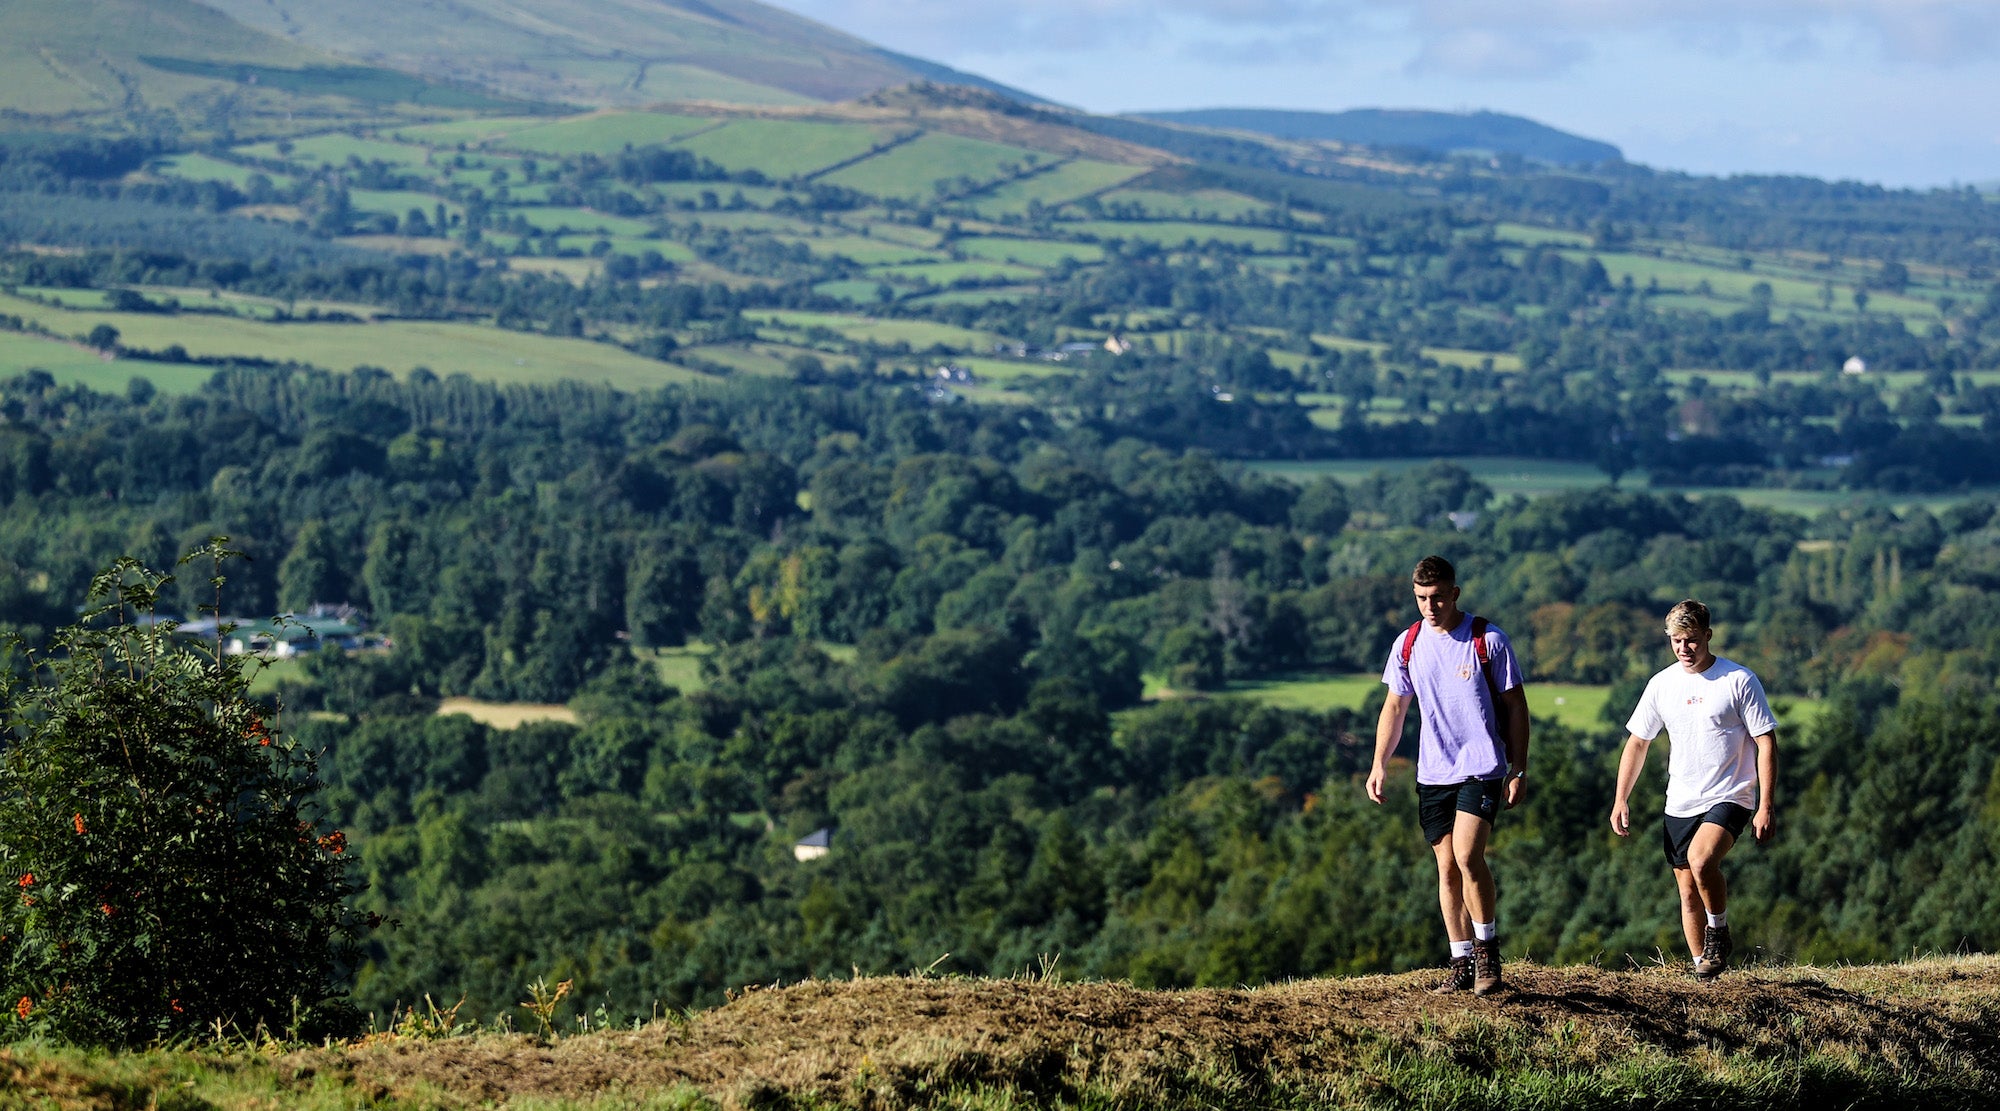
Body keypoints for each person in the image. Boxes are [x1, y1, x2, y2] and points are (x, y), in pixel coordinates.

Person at [1368, 555, 1530, 996]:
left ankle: (1487, 954)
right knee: (1446, 868)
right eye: (1421, 598)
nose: (1430, 605)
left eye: (1437, 597)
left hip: (1481, 767)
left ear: (1454, 593)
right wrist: (1379, 762)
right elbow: (1395, 706)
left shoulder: (1488, 639)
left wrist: (1519, 767)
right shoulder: (1408, 644)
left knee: (1467, 855)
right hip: (1433, 770)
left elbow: (1516, 705)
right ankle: (1460, 960)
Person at [1608, 599, 1777, 981]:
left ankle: (1718, 931)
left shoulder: (1738, 680)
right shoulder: (1662, 684)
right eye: (1676, 641)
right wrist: (1621, 798)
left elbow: (1766, 742)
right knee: (1686, 890)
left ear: (1708, 636)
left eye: (1692, 641)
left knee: (1702, 862)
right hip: (1680, 800)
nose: (1684, 649)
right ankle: (1705, 973)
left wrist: (1766, 805)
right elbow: (1638, 742)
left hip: (1731, 793)